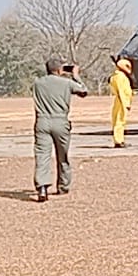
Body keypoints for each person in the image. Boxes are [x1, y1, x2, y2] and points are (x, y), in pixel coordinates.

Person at [31, 59, 88, 202]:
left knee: (42, 156)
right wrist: (75, 75)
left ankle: (42, 187)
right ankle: (63, 185)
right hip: (60, 121)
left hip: (42, 121)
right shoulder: (66, 83)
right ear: (59, 70)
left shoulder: (37, 83)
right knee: (62, 155)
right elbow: (83, 91)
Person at [109, 57, 134, 148]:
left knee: (120, 120)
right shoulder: (120, 77)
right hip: (121, 101)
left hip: (120, 101)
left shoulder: (118, 76)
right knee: (119, 120)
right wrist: (125, 103)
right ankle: (118, 141)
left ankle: (120, 139)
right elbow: (121, 91)